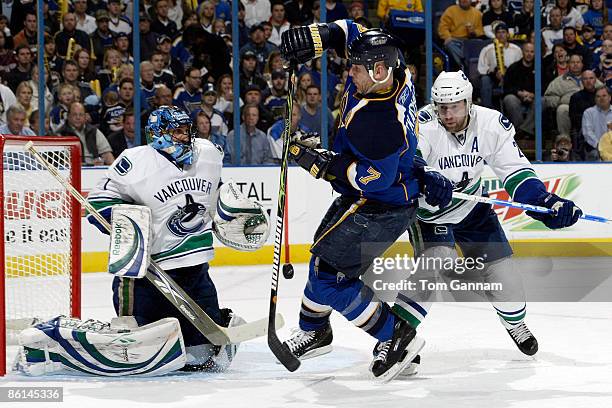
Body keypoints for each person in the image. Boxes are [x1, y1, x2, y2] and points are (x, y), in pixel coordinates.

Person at [279, 23, 453, 381]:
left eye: (355, 69)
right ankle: (314, 330)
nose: (349, 72)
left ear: (378, 70)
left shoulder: (380, 123)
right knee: (323, 262)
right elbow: (350, 31)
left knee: (331, 279)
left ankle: (395, 335)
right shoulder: (394, 71)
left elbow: (375, 179)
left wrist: (322, 164)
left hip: (380, 204)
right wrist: (315, 39)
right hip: (370, 194)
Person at [387, 71, 582, 375]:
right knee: (435, 264)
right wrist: (425, 176)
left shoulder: (491, 123)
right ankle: (392, 338)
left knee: (509, 288)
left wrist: (545, 202)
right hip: (430, 214)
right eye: (441, 106)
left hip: (473, 209)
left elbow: (515, 172)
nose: (447, 114)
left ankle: (513, 322)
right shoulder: (423, 122)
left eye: (454, 106)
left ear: (468, 102)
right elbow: (410, 158)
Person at [81, 106, 269, 374]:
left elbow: (215, 192)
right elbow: (97, 201)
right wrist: (126, 221)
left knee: (201, 357)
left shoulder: (208, 154)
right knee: (140, 346)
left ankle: (220, 320)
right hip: (148, 274)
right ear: (159, 134)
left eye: (186, 130)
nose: (185, 137)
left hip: (195, 267)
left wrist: (229, 214)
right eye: (177, 132)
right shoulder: (134, 162)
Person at [57, 102, 115, 166]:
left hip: (94, 171)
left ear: (85, 117)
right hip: (72, 171)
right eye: (74, 114)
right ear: (68, 116)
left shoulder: (94, 131)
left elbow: (107, 155)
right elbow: (60, 162)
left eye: (81, 115)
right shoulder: (60, 134)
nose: (78, 117)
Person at [581, 86, 612, 160]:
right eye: (598, 96)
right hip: (595, 148)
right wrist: (601, 146)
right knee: (594, 154)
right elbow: (587, 133)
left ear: (610, 97)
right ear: (595, 99)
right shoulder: (588, 113)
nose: (601, 98)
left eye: (604, 96)